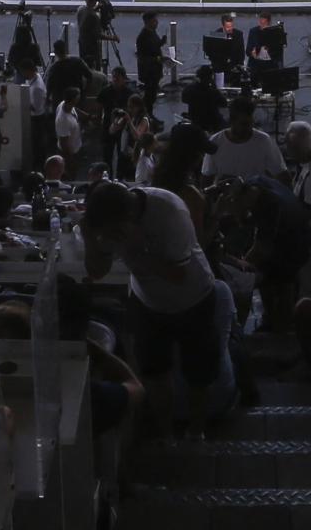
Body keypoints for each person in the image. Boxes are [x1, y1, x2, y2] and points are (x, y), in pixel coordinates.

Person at [82, 179, 227, 432]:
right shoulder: (110, 222)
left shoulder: (169, 211)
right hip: (147, 301)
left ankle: (197, 432)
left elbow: (178, 274)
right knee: (155, 371)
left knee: (198, 373)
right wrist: (91, 240)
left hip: (193, 298)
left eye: (116, 232)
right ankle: (164, 432)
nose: (114, 238)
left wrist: (136, 253)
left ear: (129, 215)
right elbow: (97, 271)